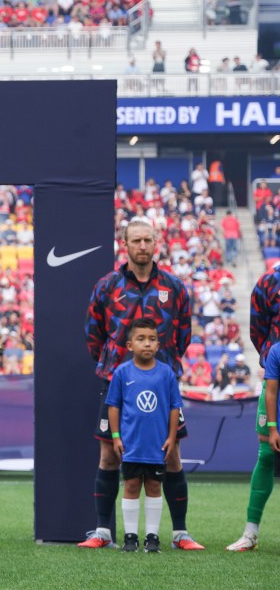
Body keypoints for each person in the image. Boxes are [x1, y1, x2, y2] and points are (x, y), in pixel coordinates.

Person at [79, 220, 203, 550]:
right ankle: (103, 532)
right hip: (117, 383)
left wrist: (164, 366)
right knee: (109, 454)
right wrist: (115, 365)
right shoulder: (107, 286)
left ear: (156, 243)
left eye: (148, 240)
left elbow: (184, 334)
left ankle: (180, 533)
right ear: (126, 244)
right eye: (136, 240)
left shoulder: (174, 287)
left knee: (171, 453)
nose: (143, 246)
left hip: (162, 385)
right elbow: (93, 334)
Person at [106, 318, 182, 553]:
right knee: (130, 485)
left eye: (152, 339)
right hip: (131, 444)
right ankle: (130, 538)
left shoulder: (166, 373)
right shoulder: (122, 373)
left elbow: (174, 407)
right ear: (130, 345)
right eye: (141, 339)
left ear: (158, 345)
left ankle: (152, 538)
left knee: (154, 486)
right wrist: (116, 437)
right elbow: (114, 406)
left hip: (156, 445)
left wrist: (171, 437)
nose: (147, 343)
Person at [229, 263, 280, 550]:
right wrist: (273, 362)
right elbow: (257, 331)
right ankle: (250, 533)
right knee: (266, 453)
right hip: (276, 378)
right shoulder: (269, 282)